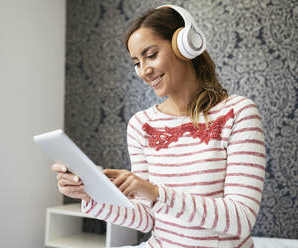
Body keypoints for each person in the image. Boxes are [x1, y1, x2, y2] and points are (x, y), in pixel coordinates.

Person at [52, 5, 265, 248]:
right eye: (136, 62)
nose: (144, 71)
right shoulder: (142, 125)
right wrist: (90, 193)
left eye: (151, 55)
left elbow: (241, 219)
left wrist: (155, 192)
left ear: (184, 46)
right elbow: (146, 218)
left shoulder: (238, 113)